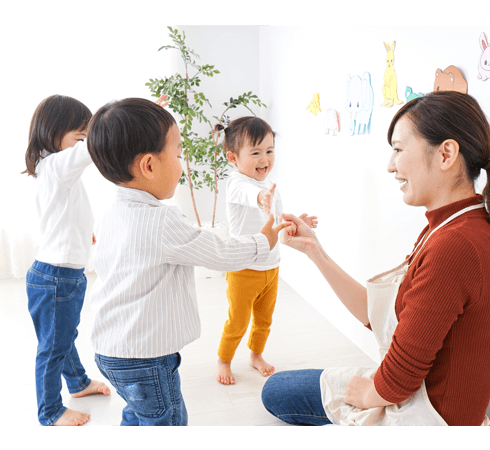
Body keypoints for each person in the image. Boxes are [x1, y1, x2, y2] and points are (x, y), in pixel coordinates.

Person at [261, 91, 490, 426]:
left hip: (426, 413)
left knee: (276, 392)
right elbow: (380, 316)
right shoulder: (452, 226)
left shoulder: (455, 245)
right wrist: (314, 249)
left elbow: (399, 381)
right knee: (278, 389)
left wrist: (367, 395)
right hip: (416, 395)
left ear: (446, 153)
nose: (391, 165)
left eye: (399, 149)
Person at [85, 98, 292, 426]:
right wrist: (263, 240)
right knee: (167, 417)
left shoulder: (112, 212)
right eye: (179, 154)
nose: (182, 163)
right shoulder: (161, 222)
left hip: (110, 348)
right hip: (145, 357)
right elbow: (219, 253)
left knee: (139, 410)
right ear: (149, 166)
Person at [22, 95, 111, 426]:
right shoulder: (58, 166)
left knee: (62, 336)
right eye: (82, 130)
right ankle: (50, 412)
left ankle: (78, 383)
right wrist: (128, 116)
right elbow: (89, 151)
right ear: (54, 129)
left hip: (59, 274)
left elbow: (61, 215)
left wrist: (81, 233)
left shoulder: (52, 168)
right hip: (56, 277)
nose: (87, 137)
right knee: (53, 348)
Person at [214, 117, 318, 385]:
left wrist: (296, 224)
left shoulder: (271, 186)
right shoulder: (237, 183)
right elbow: (251, 196)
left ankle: (255, 355)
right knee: (237, 321)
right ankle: (223, 360)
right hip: (243, 269)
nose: (265, 159)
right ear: (233, 158)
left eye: (270, 151)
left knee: (264, 319)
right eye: (256, 152)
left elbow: (277, 225)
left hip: (271, 267)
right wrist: (261, 198)